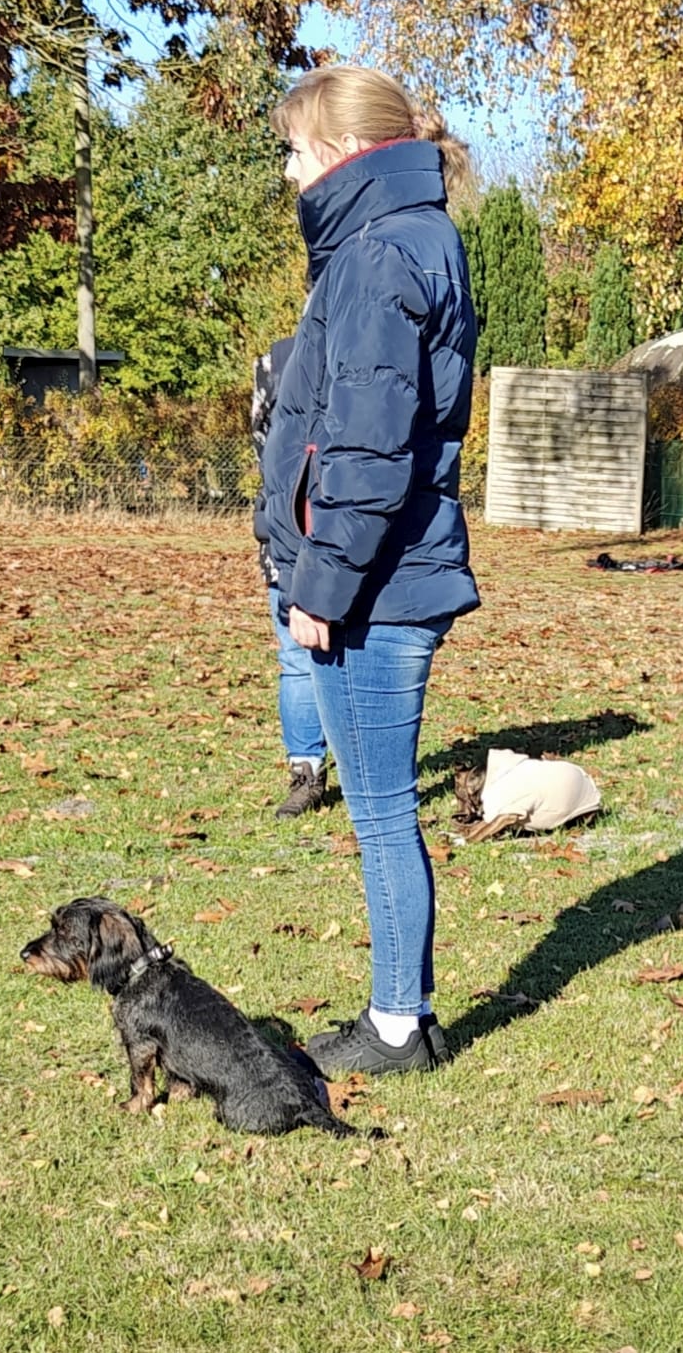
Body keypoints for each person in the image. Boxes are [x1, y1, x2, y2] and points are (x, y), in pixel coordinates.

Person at [262, 65, 479, 1076]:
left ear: (346, 152)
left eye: (296, 151)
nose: (289, 171)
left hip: (376, 587)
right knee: (382, 807)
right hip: (385, 576)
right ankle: (405, 1014)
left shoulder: (377, 253)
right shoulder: (402, 238)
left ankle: (398, 1025)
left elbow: (366, 446)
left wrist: (318, 585)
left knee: (383, 811)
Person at [252, 338, 328, 817]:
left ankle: (310, 771)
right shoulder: (363, 348)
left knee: (300, 660)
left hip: (290, 530)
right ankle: (313, 770)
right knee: (306, 658)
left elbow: (262, 441)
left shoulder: (273, 362)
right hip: (302, 532)